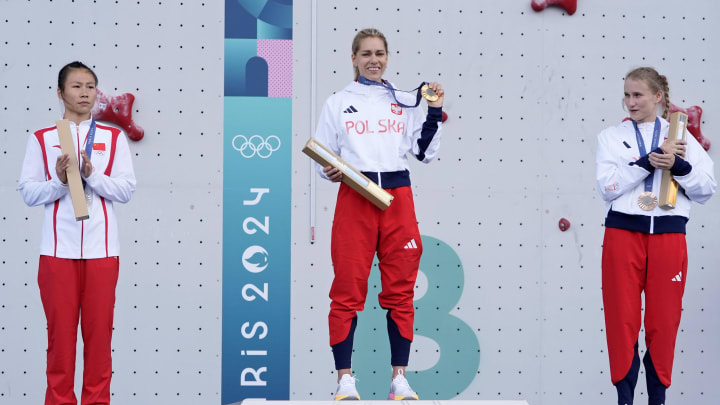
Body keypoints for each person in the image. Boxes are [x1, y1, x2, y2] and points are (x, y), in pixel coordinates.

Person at [313, 28, 444, 401]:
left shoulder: (404, 100)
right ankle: (344, 379)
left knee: (401, 291)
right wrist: (328, 170)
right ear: (353, 58)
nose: (374, 60)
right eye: (366, 53)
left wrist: (433, 110)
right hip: (355, 195)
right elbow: (321, 157)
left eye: (380, 53)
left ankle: (399, 379)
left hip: (397, 196)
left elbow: (424, 152)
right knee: (346, 291)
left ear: (388, 57)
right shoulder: (337, 102)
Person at [595, 66, 716, 405]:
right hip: (622, 235)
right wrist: (646, 163)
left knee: (663, 323)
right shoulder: (610, 137)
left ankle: (658, 399)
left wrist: (680, 167)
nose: (630, 102)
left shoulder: (681, 137)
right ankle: (624, 399)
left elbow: (707, 190)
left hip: (668, 238)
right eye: (627, 95)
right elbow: (607, 187)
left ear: (658, 97)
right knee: (622, 322)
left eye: (638, 95)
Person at [18, 61, 136, 405]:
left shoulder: (113, 138)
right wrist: (59, 180)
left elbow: (126, 191)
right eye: (76, 86)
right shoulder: (42, 139)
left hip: (102, 254)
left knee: (99, 341)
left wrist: (91, 174)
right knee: (60, 343)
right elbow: (28, 193)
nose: (84, 93)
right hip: (56, 254)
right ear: (60, 92)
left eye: (90, 86)